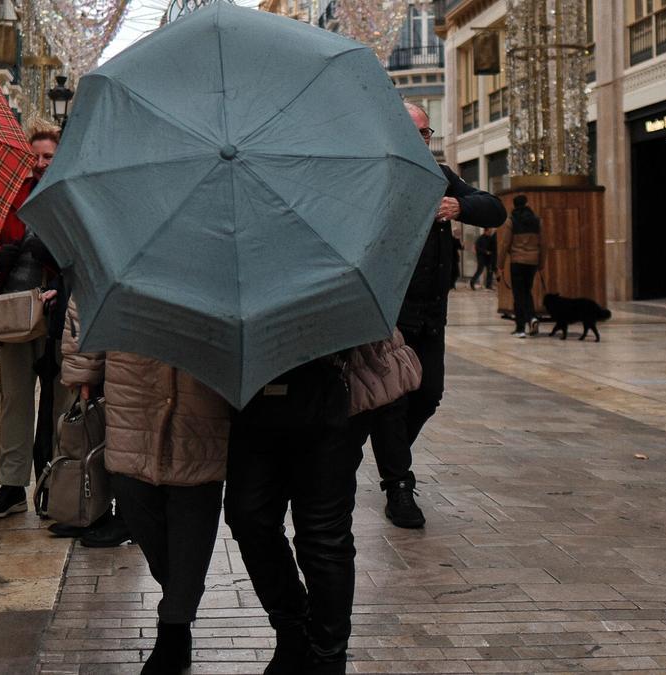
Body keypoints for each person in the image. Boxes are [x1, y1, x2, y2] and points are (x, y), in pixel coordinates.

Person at [225, 335, 422, 674]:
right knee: (248, 515)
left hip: (339, 375)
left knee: (322, 530)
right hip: (256, 380)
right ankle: (293, 629)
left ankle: (328, 656)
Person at [62, 300, 232, 674]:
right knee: (136, 505)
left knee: (193, 519)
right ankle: (179, 600)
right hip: (134, 377)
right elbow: (92, 292)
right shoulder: (124, 240)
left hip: (200, 387)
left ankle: (173, 628)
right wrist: (84, 366)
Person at [366, 101, 506, 529]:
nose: (421, 141)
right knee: (391, 401)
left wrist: (459, 208)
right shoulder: (375, 175)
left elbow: (493, 209)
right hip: (389, 317)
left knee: (428, 395)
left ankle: (392, 460)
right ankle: (398, 484)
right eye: (414, 133)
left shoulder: (440, 177)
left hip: (431, 316)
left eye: (426, 134)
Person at [0, 123, 72, 520]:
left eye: (47, 156)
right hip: (13, 311)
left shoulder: (70, 196)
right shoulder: (11, 196)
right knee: (15, 400)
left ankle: (58, 484)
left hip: (56, 315)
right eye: (34, 156)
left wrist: (53, 257)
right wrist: (3, 254)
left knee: (61, 406)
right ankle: (12, 484)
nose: (39, 164)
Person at [498, 195, 543, 339]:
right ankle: (532, 318)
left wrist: (500, 265)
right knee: (527, 292)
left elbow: (505, 244)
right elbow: (544, 244)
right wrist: (541, 264)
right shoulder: (537, 221)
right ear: (527, 203)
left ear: (514, 205)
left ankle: (520, 328)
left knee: (518, 294)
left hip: (517, 261)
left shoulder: (512, 221)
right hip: (532, 262)